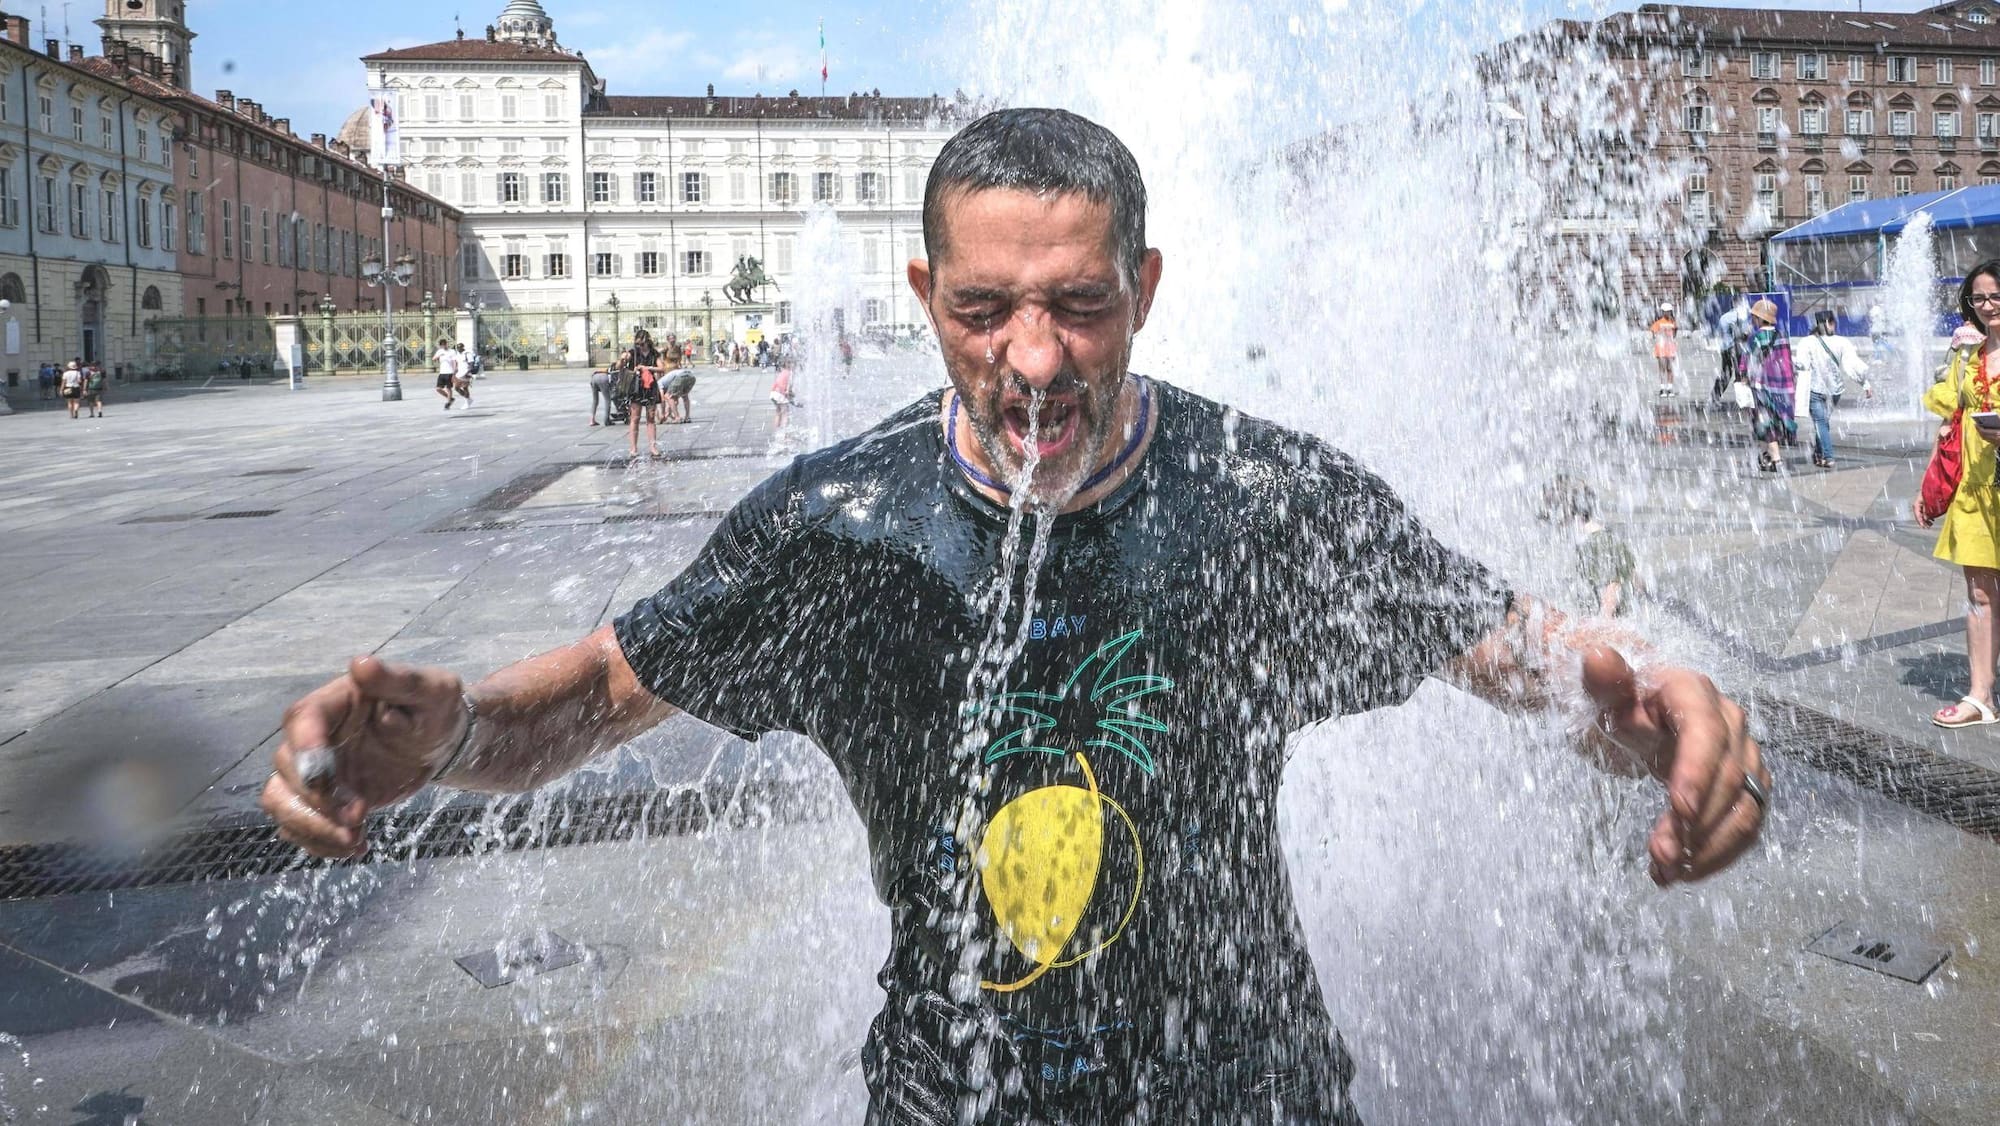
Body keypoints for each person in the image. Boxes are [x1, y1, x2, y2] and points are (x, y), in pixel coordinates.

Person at [259, 108, 1766, 1124]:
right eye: (985, 309)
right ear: (923, 294)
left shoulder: (1262, 499)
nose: (1036, 357)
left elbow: (1518, 658)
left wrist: (1644, 710)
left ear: (1147, 287)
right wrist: (448, 733)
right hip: (951, 1096)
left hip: (1249, 1094)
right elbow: (597, 693)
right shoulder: (837, 531)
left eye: (1081, 304)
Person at [1917, 260, 2000, 729]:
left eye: (1995, 297)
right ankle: (1981, 695)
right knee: (1980, 594)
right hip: (1976, 490)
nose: (1987, 307)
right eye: (1978, 298)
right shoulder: (1969, 356)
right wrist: (1932, 484)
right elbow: (1949, 421)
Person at [1540, 475, 1640, 616]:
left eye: (1552, 513)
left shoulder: (1594, 543)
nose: (1553, 525)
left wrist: (1603, 622)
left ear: (1566, 515)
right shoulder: (1609, 537)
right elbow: (1636, 581)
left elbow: (1612, 588)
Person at [1791, 310, 1873, 470]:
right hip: (1834, 391)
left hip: (1815, 390)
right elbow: (1853, 365)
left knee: (1821, 423)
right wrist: (1866, 384)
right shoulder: (1842, 342)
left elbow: (1801, 364)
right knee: (1822, 422)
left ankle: (1827, 457)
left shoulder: (1806, 342)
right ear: (1830, 323)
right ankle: (1819, 454)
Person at [1741, 299, 1797, 473]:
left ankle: (1777, 460)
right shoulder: (1782, 336)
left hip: (1762, 387)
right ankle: (1766, 457)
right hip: (1782, 387)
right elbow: (1787, 363)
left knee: (1766, 424)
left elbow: (1747, 362)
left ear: (1758, 318)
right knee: (1773, 422)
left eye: (1754, 317)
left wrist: (1743, 377)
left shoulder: (1756, 338)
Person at [616, 352, 662, 457]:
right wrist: (622, 359)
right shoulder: (632, 353)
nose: (640, 346)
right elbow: (619, 367)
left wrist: (648, 368)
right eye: (638, 344)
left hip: (650, 387)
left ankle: (653, 447)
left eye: (642, 344)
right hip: (636, 387)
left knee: (651, 418)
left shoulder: (653, 354)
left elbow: (662, 368)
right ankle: (633, 448)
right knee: (635, 418)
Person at [1649, 303, 1678, 397]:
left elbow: (1675, 332)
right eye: (1665, 311)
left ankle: (1669, 388)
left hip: (1670, 347)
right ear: (1662, 312)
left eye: (1668, 311)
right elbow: (1653, 332)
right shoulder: (1658, 322)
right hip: (1661, 348)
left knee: (1670, 368)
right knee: (1662, 368)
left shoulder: (1673, 322)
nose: (1667, 313)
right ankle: (1662, 388)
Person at [432, 338, 461, 410]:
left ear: (446, 344)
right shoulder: (439, 351)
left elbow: (455, 361)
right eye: (441, 345)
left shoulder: (452, 351)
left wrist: (455, 369)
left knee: (448, 388)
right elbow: (433, 359)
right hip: (442, 372)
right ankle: (450, 398)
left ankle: (448, 403)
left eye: (444, 344)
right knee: (438, 389)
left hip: (450, 372)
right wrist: (439, 356)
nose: (443, 346)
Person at [770, 363, 796, 429]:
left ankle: (777, 430)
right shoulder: (790, 373)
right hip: (780, 394)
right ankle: (784, 433)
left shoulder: (782, 372)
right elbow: (787, 390)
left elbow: (776, 384)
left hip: (773, 393)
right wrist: (791, 395)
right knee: (785, 413)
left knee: (778, 412)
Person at [451, 344, 474, 408]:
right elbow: (457, 365)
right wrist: (454, 373)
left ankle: (467, 401)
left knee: (465, 387)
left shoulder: (467, 354)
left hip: (466, 373)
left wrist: (468, 372)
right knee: (456, 388)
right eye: (458, 348)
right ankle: (469, 399)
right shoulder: (457, 355)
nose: (459, 349)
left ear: (463, 347)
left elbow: (471, 364)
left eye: (460, 347)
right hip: (459, 374)